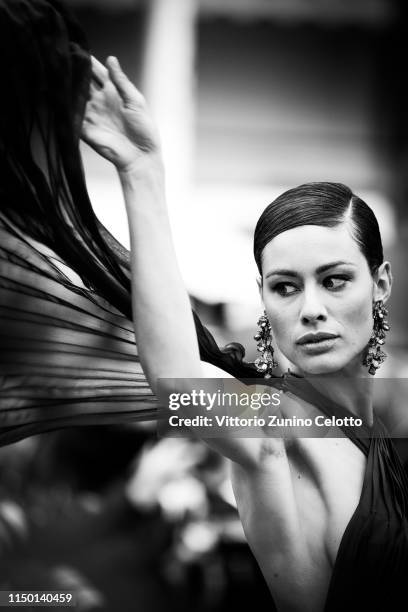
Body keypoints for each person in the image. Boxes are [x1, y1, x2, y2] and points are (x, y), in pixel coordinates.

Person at [1, 2, 407, 612]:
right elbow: (174, 383)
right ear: (264, 299)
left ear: (380, 284)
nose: (312, 308)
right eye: (286, 286)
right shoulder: (274, 431)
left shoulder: (383, 441)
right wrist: (141, 170)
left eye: (335, 279)